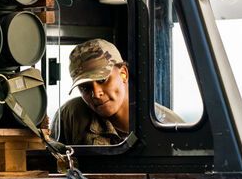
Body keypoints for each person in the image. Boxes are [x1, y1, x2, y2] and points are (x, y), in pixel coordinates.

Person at [50, 38, 184, 146]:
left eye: (102, 80)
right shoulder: (71, 115)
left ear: (123, 74)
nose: (96, 94)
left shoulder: (167, 125)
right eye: (85, 87)